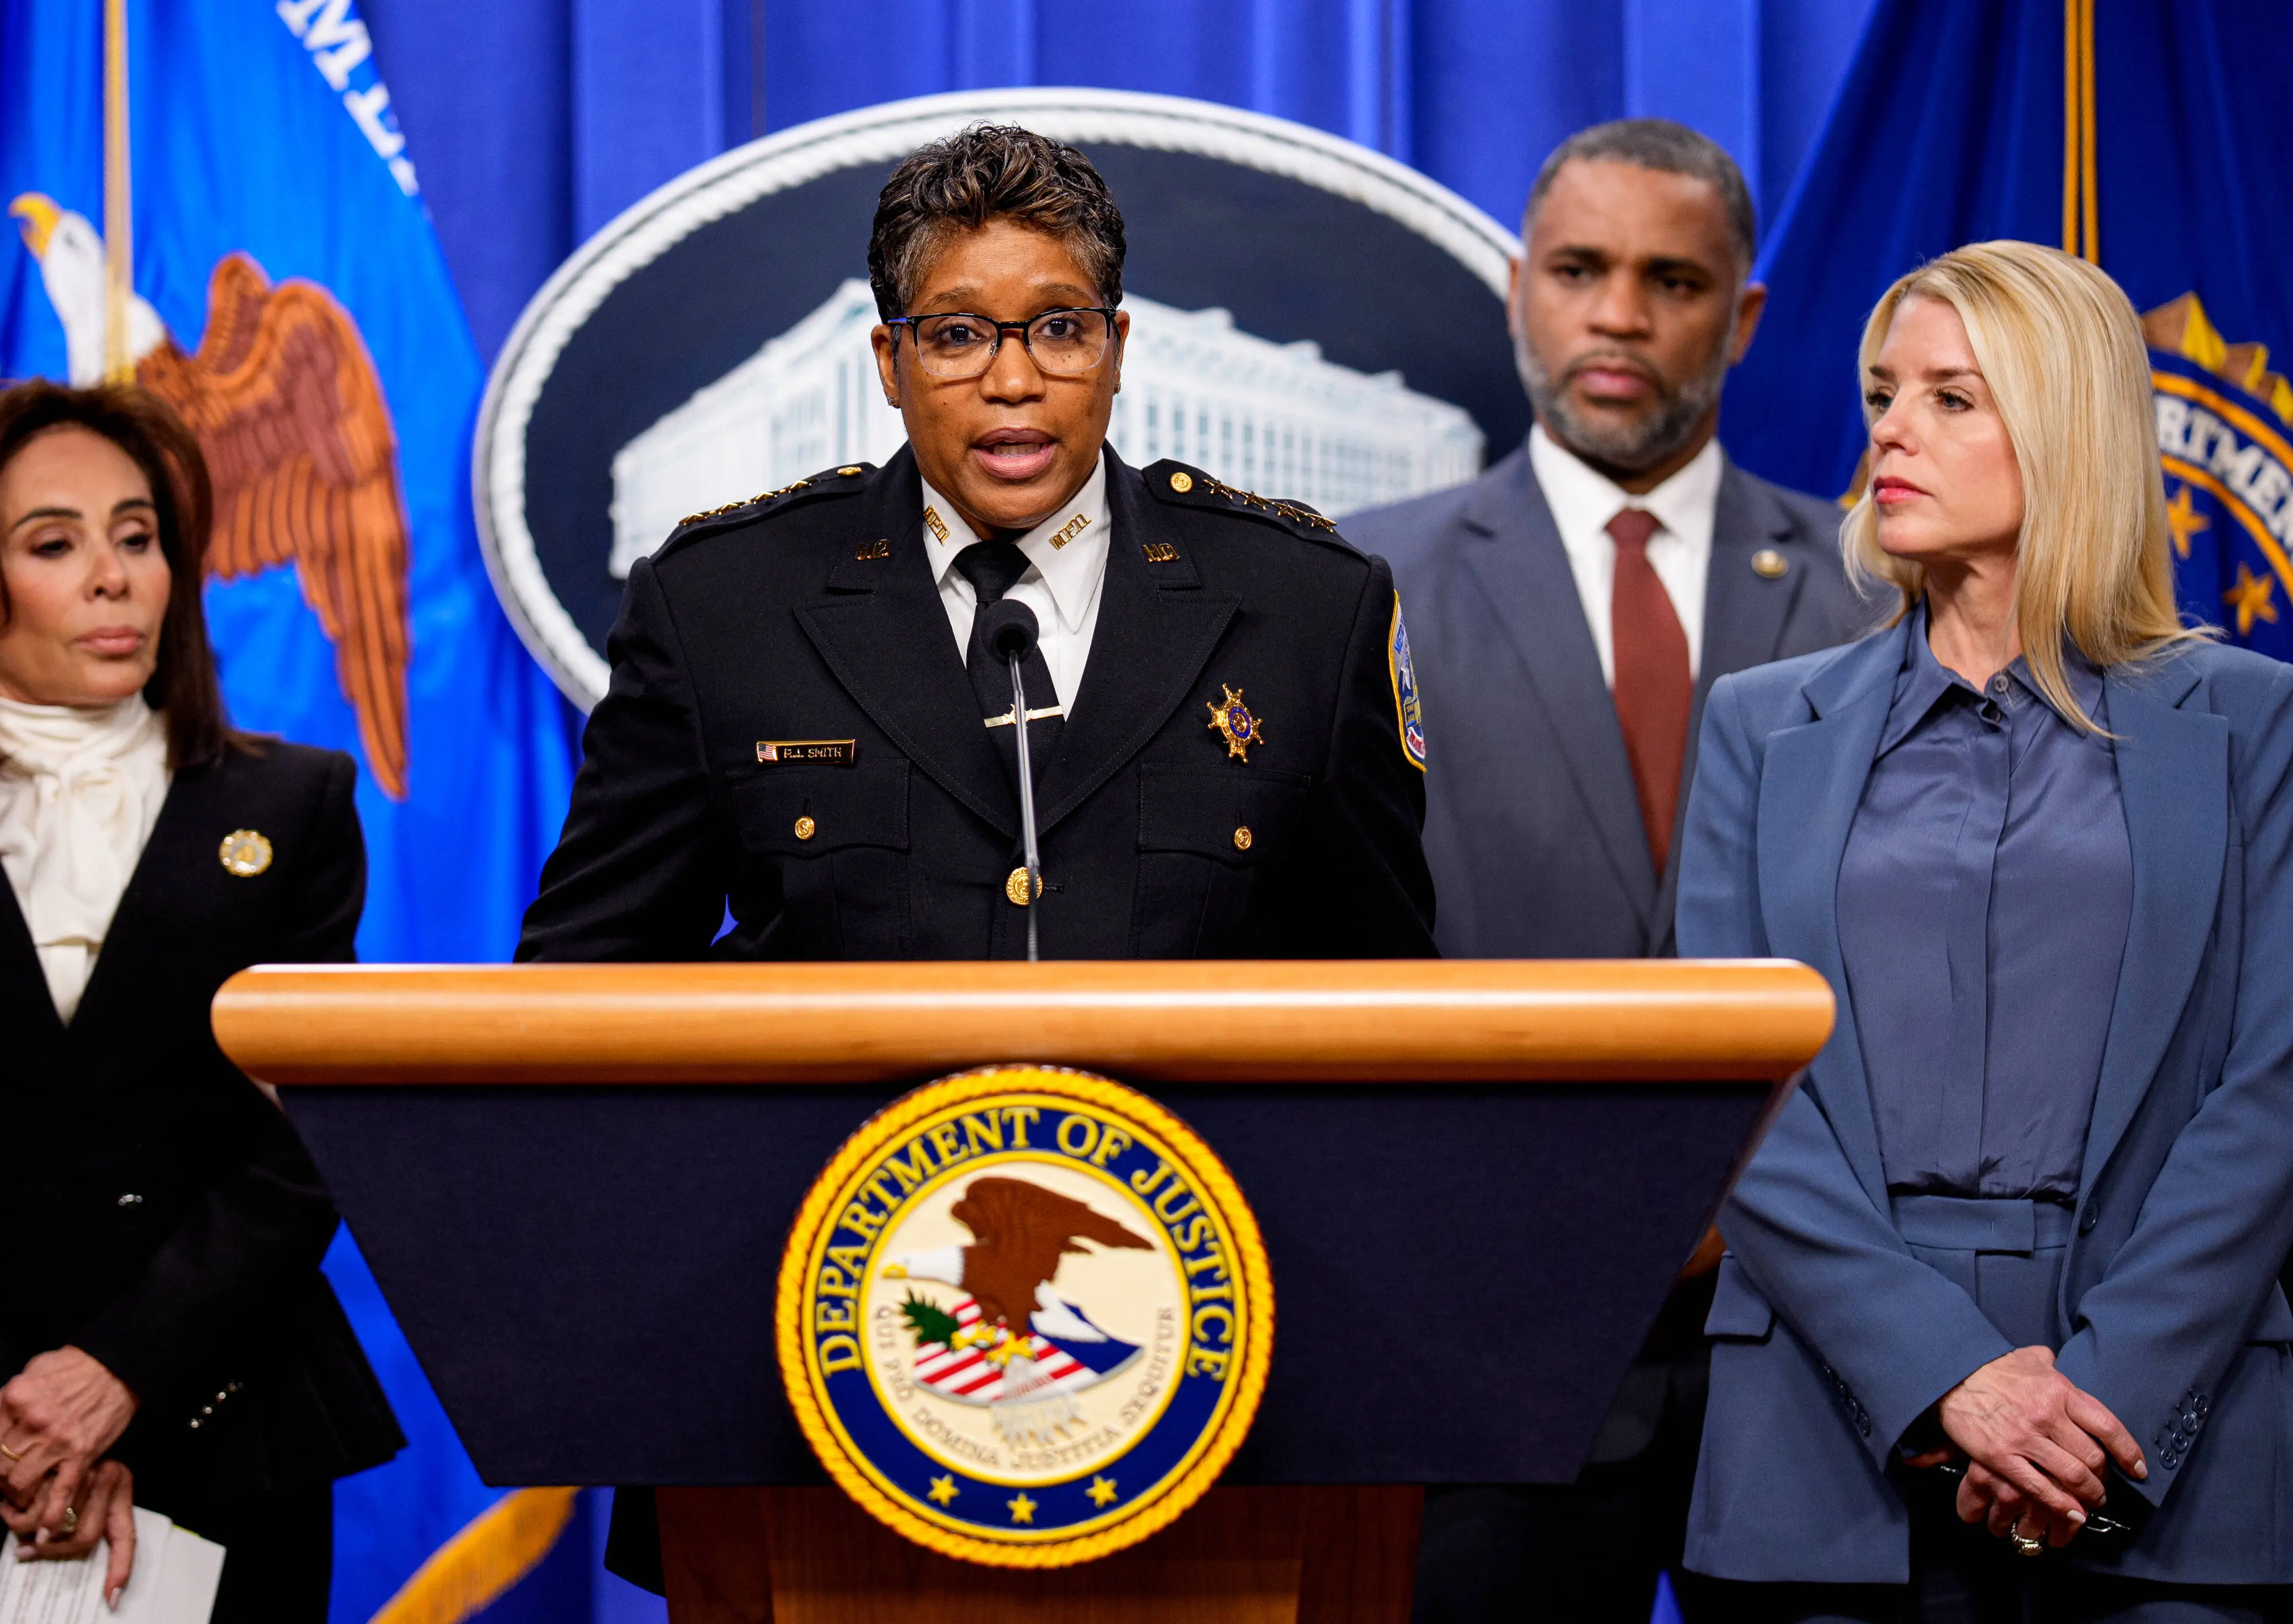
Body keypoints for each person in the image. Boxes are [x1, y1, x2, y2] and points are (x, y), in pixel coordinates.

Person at [517, 122, 1436, 1587]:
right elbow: (579, 1001)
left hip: (1222, 1394)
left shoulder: (1302, 607)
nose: (1013, 379)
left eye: (1056, 328)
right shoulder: (726, 605)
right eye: (957, 335)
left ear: (1119, 346)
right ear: (888, 362)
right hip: (808, 1389)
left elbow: (1395, 1022)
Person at [1678, 240, 2293, 1618]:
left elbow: (2272, 1097)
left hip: (2163, 1447)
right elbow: (1729, 1085)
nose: (1891, 429)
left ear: (2066, 425)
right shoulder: (1760, 726)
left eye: (1952, 398)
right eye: (1885, 393)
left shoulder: (2256, 725)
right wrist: (1944, 1374)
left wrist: (2095, 1402)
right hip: (1819, 1439)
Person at [1350, 119, 1875, 1621]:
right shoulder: (1352, 586)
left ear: (1746, 315)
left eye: (1672, 278)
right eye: (1580, 271)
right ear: (1520, 289)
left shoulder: (1879, 591)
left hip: (1823, 1355)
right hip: (1480, 1362)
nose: (1622, 316)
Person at [0, 382, 403, 1621]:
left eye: (138, 534)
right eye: (54, 543)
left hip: (221, 1421)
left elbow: (305, 1137)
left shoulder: (293, 807)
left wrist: (122, 1372)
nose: (115, 576)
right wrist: (13, 1413)